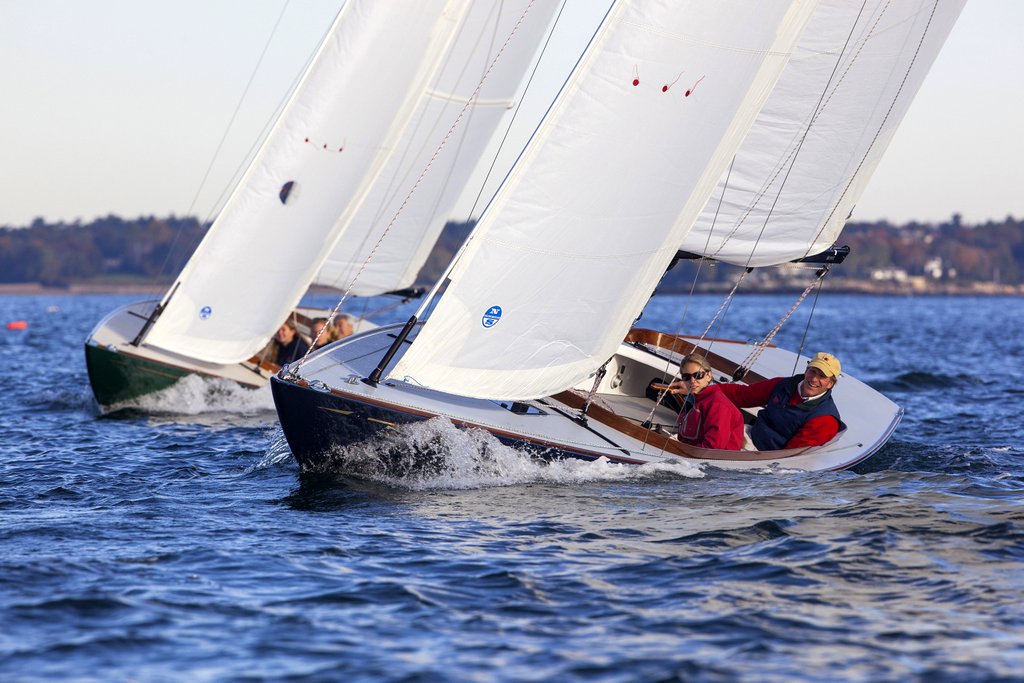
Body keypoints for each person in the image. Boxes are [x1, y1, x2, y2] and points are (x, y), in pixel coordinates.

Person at [718, 352, 845, 450]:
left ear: (830, 384)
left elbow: (792, 456)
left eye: (822, 376)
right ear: (806, 371)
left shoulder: (825, 419)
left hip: (764, 458)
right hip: (749, 434)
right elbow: (742, 395)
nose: (814, 379)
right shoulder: (782, 384)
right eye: (812, 371)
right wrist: (706, 390)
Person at [665, 354, 744, 450]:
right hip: (690, 455)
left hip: (711, 461)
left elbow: (712, 449)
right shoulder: (697, 399)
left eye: (698, 375)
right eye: (686, 377)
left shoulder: (718, 405)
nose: (692, 381)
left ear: (709, 376)